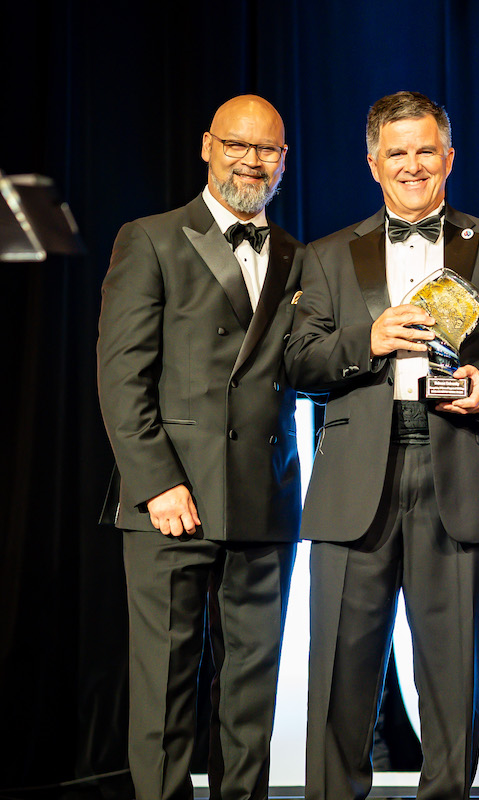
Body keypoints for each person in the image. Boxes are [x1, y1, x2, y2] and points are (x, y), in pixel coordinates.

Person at [285, 91, 479, 800]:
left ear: (449, 158)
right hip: (355, 478)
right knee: (339, 676)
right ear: (373, 164)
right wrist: (364, 343)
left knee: (452, 682)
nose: (412, 165)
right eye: (397, 153)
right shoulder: (327, 255)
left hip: (460, 467)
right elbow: (297, 362)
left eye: (426, 150)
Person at [97, 95, 303, 800]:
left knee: (251, 693)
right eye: (237, 145)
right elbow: (121, 375)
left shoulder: (299, 255)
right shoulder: (151, 237)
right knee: (163, 689)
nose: (252, 160)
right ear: (207, 147)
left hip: (264, 496)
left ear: (284, 161)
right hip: (171, 500)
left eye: (267, 149)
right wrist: (156, 482)